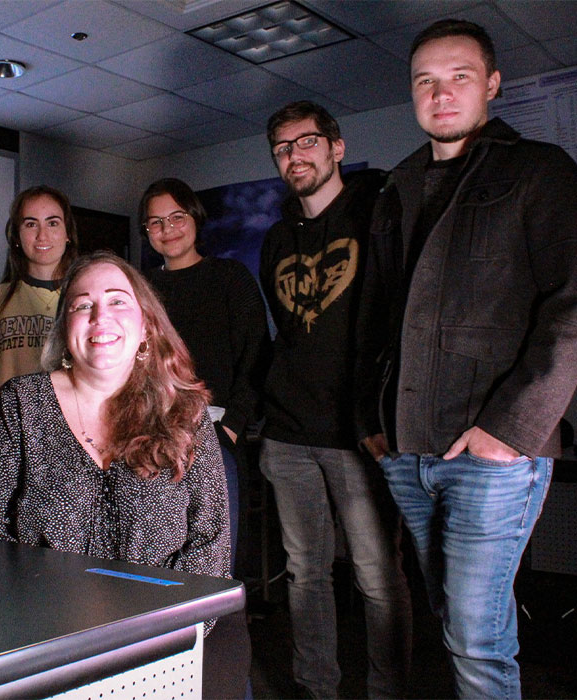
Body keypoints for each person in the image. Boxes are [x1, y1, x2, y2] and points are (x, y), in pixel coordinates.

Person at [356, 19, 577, 699]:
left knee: (476, 641)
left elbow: (572, 307)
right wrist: (374, 421)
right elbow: (376, 317)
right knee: (455, 621)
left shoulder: (538, 170)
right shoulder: (396, 187)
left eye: (459, 77)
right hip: (408, 452)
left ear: (492, 85)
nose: (441, 93)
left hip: (493, 451)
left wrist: (511, 430)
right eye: (425, 80)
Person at [0, 251, 249, 699]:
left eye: (118, 301)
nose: (100, 315)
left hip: (166, 651)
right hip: (44, 648)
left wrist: (156, 644)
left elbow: (210, 548)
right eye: (83, 305)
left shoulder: (186, 414)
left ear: (146, 326)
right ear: (65, 328)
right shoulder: (20, 405)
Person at [259, 101, 412, 699]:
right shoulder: (276, 239)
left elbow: (392, 320)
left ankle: (388, 691)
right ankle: (317, 688)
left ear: (336, 147)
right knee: (305, 576)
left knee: (377, 577)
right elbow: (290, 331)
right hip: (289, 434)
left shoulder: (375, 215)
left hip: (359, 435)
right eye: (283, 149)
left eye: (307, 142)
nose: (295, 156)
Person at [140, 178, 269, 573]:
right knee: (159, 555)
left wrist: (231, 428)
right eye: (156, 223)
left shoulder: (230, 277)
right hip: (153, 435)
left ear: (194, 218)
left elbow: (258, 355)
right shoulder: (142, 288)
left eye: (177, 217)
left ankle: (218, 634)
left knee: (218, 557)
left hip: (216, 431)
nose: (168, 229)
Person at [0, 186, 78, 477]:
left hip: (75, 466)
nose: (42, 235)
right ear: (17, 236)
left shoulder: (88, 302)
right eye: (30, 223)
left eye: (53, 223)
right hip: (7, 465)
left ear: (68, 233)